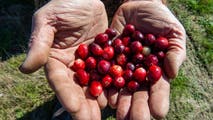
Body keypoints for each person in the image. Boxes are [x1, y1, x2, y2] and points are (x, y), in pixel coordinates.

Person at [19, 0, 186, 120]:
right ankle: (69, 107)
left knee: (119, 98)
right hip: (83, 21)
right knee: (74, 90)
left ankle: (106, 107)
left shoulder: (128, 57)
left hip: (126, 16)